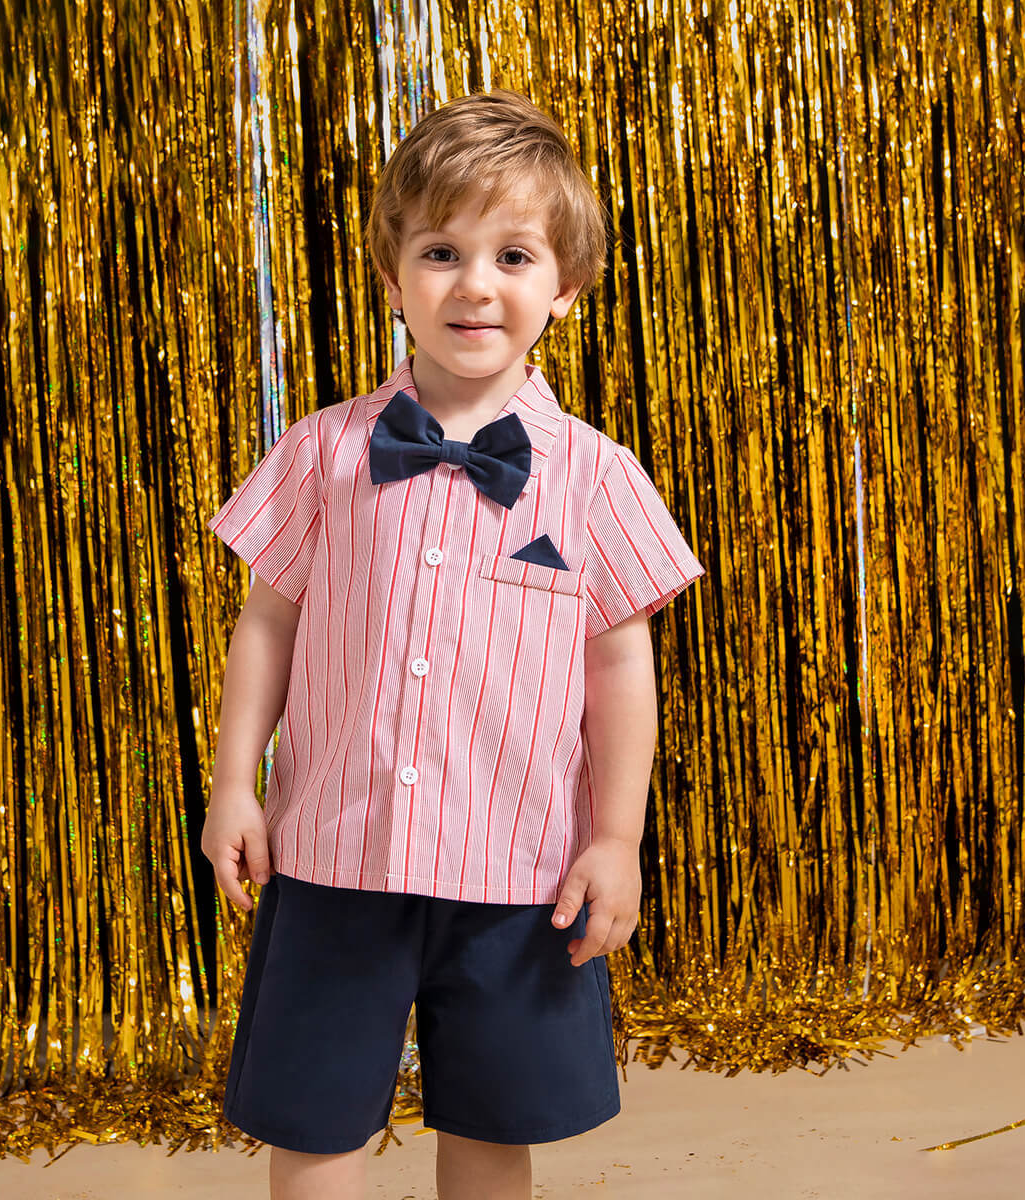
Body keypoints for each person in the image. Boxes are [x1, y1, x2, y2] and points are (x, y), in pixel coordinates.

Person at [201, 89, 704, 1200]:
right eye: (441, 252)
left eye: (513, 255)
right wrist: (235, 783)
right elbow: (269, 621)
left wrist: (616, 838)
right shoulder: (323, 453)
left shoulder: (598, 476)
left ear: (564, 287)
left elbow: (621, 664)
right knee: (314, 1120)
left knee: (490, 1123)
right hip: (334, 854)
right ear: (393, 279)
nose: (475, 284)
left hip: (520, 869)